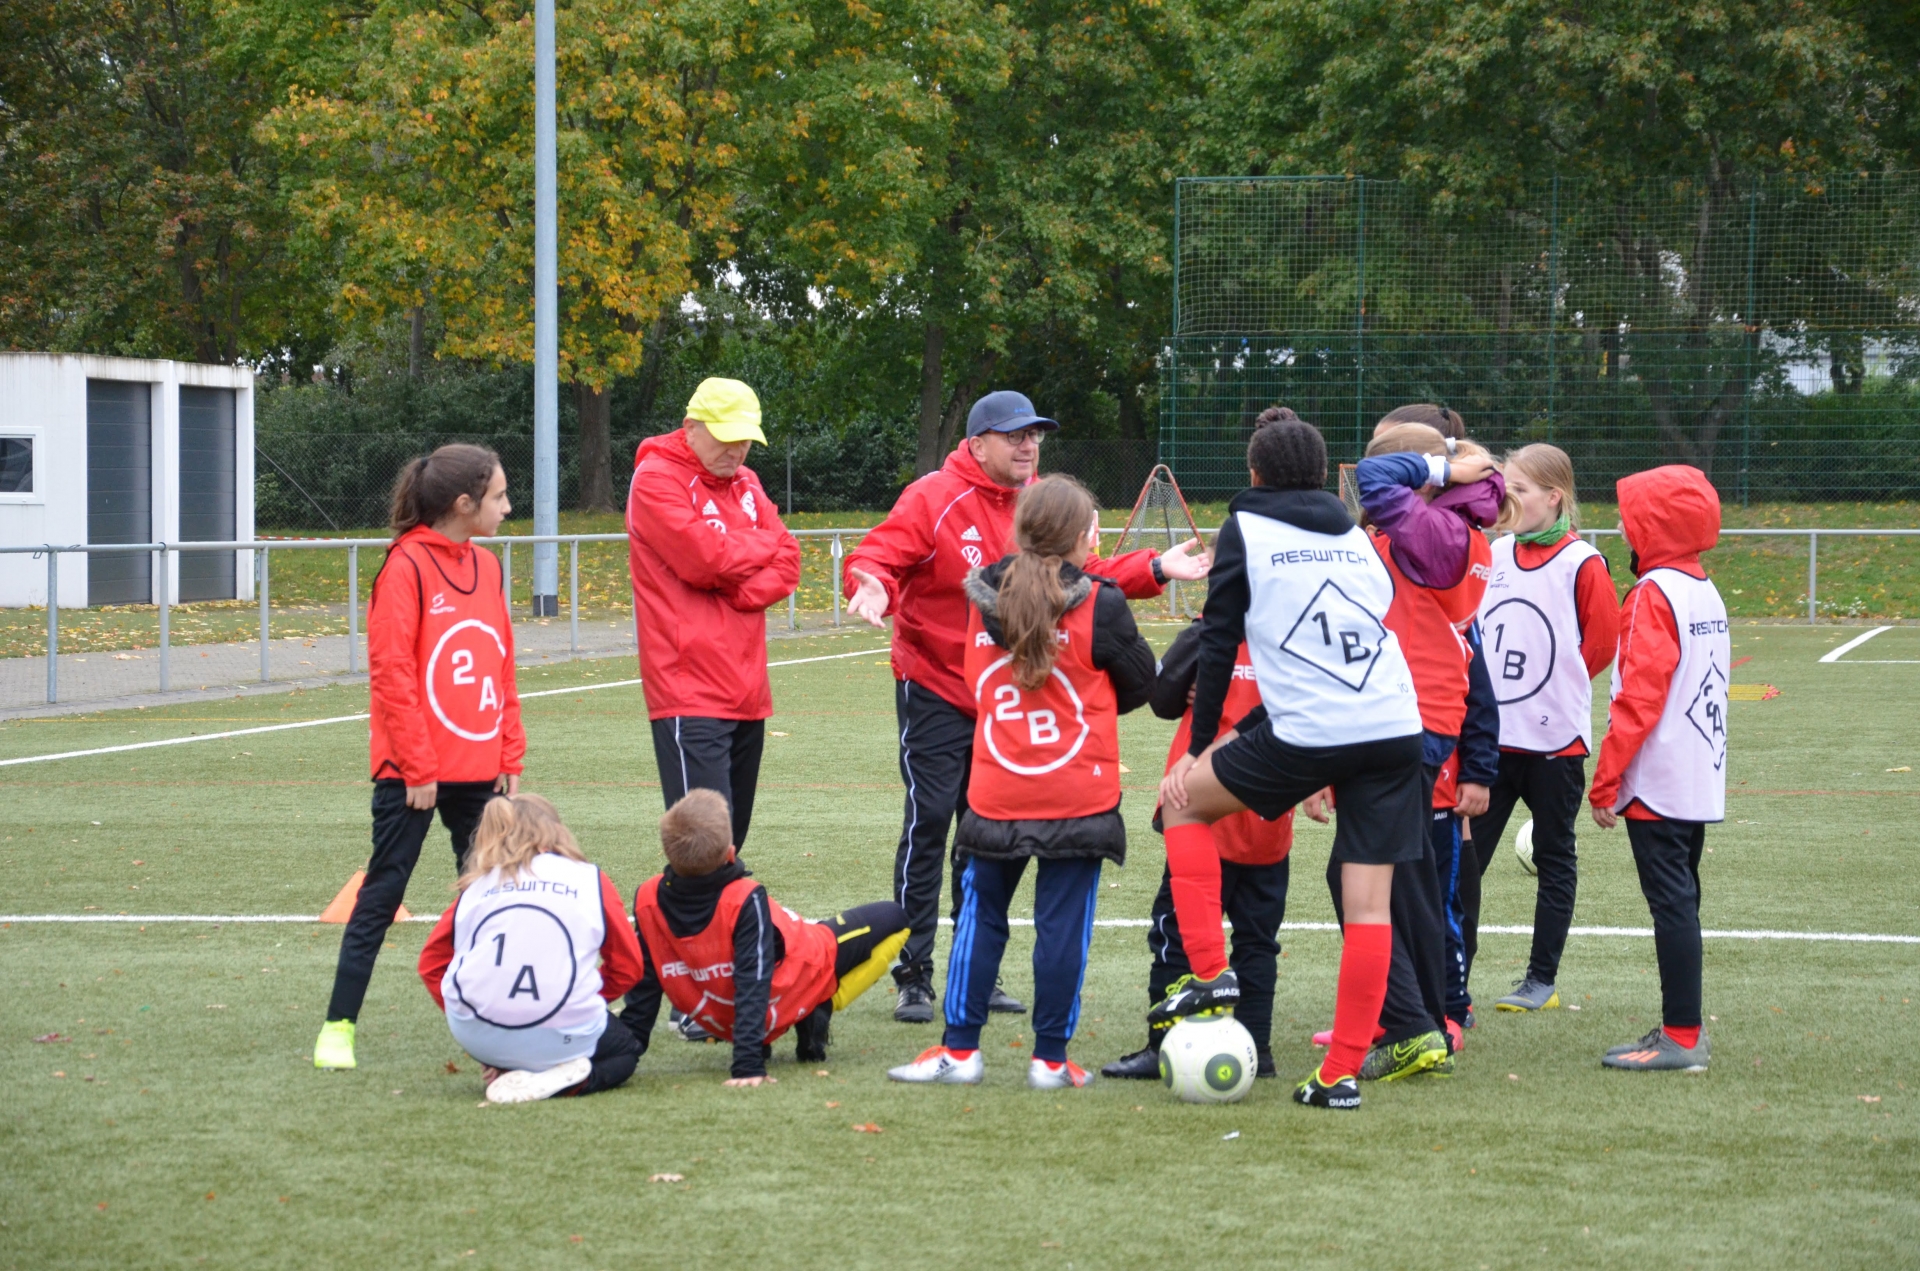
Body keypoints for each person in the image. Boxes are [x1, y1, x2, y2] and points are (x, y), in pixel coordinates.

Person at [843, 390, 1209, 1023]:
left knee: (981, 830)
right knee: (931, 820)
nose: (1027, 445)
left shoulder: (1038, 498)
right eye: (1013, 435)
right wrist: (868, 582)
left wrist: (1153, 566)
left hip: (1004, 699)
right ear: (977, 441)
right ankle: (913, 970)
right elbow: (877, 555)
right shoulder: (932, 496)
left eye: (1034, 435)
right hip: (934, 683)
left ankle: (973, 972)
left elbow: (1082, 574)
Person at [1153, 409, 1427, 1112]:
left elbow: (1218, 642)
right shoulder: (1360, 535)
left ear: (1255, 474)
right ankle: (1338, 1077)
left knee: (1181, 802)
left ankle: (1211, 973)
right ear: (1321, 472)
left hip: (1312, 732)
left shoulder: (1246, 527)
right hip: (1396, 726)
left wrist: (1201, 742)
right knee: (1370, 908)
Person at [887, 476, 1155, 1089]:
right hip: (1078, 792)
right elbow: (1145, 685)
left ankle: (960, 1052)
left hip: (998, 787)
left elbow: (974, 679)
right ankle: (1050, 1060)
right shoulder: (1100, 602)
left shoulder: (981, 595)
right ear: (1084, 536)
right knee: (1063, 928)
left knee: (981, 917)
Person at [315, 444, 523, 1071]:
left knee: (495, 893)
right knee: (381, 895)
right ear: (464, 505)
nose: (508, 509)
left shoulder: (487, 569)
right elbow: (393, 674)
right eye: (499, 498)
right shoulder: (403, 568)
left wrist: (509, 748)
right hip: (414, 778)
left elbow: (501, 662)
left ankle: (501, 1024)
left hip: (480, 770)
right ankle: (338, 1028)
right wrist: (418, 766)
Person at [1336, 421, 1509, 1081]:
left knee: (1386, 874)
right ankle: (1416, 1014)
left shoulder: (1436, 531)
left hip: (1407, 714)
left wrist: (1434, 468)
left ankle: (1420, 1019)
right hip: (1415, 713)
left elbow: (1378, 486)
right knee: (1396, 872)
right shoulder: (1443, 531)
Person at [1103, 619, 1294, 1082]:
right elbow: (1167, 697)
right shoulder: (1296, 636)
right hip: (1269, 814)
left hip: (1200, 813)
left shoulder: (1215, 632)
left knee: (1177, 934)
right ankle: (1257, 1049)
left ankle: (1163, 1044)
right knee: (1257, 941)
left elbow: (1160, 696)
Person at [1464, 443, 1617, 1016]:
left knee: (1555, 858)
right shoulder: (1495, 553)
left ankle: (1540, 979)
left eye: (1520, 490)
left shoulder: (1584, 564)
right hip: (1492, 742)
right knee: (1464, 862)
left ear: (1554, 497)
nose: (1508, 499)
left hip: (1555, 743)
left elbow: (1600, 646)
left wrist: (1550, 692)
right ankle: (1455, 980)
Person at [620, 790, 911, 1083]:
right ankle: (819, 1003)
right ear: (730, 852)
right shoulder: (743, 897)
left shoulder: (648, 898)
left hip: (723, 1017)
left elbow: (645, 984)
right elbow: (753, 980)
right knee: (896, 918)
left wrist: (626, 1049)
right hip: (792, 976)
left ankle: (796, 1014)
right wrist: (748, 1066)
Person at [1590, 465, 1727, 1072]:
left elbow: (1640, 695)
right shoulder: (1702, 586)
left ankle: (1683, 1036)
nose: (1622, 526)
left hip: (1660, 777)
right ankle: (1682, 1026)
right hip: (1698, 772)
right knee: (1682, 901)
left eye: (1632, 515)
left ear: (1657, 524)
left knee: (1671, 904)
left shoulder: (1654, 592)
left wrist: (1608, 776)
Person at [627, 376, 800, 850]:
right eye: (725, 436)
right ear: (690, 428)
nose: (737, 449)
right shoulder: (657, 478)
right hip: (689, 689)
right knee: (701, 846)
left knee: (730, 841)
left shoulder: (747, 482)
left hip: (747, 689)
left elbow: (789, 560)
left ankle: (714, 925)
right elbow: (704, 558)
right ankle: (677, 926)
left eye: (745, 438)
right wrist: (759, 546)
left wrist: (740, 591)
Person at [417, 794, 645, 1103]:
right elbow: (629, 967)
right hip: (561, 1027)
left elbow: (431, 964)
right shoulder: (589, 879)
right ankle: (565, 1081)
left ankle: (510, 1065)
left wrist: (472, 1016)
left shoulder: (477, 885)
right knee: (625, 1052)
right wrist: (580, 999)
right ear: (555, 830)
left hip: (479, 1037)